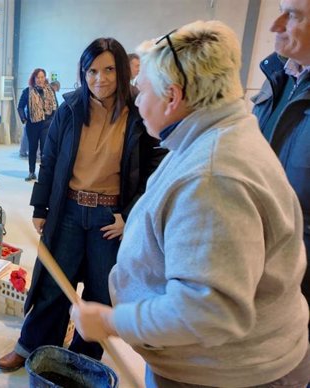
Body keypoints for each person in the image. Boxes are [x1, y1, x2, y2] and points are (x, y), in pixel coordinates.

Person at [72, 21, 310, 387]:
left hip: (224, 374)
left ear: (173, 97)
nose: (137, 100)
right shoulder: (213, 134)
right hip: (208, 363)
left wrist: (110, 322)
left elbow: (207, 311)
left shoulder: (214, 177)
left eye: (144, 89)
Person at [0, 38, 165, 372]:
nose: (99, 78)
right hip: (69, 211)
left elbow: (154, 169)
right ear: (82, 73)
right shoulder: (70, 108)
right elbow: (52, 159)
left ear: (121, 70)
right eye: (91, 71)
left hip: (109, 217)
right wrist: (41, 207)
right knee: (54, 285)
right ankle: (31, 347)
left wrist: (129, 216)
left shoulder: (138, 110)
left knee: (101, 293)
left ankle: (81, 360)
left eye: (108, 70)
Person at [252, 0, 310, 337]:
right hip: (262, 260)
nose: (275, 26)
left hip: (299, 273)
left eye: (293, 16)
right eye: (279, 9)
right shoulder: (279, 76)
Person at [17, 68, 57, 181]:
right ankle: (31, 172)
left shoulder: (50, 90)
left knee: (45, 150)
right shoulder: (27, 91)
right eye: (38, 77)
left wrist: (54, 119)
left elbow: (55, 106)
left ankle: (43, 173)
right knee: (33, 148)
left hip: (47, 123)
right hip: (33, 124)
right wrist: (23, 119)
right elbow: (20, 107)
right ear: (34, 78)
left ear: (45, 78)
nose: (40, 80)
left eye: (42, 77)